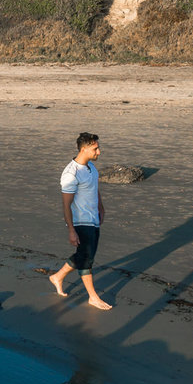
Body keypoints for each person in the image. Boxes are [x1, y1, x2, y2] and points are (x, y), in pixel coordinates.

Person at [49, 131, 112, 310]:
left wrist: (101, 207)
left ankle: (57, 277)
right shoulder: (71, 174)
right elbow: (66, 205)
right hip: (80, 222)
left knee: (85, 255)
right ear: (84, 149)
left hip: (93, 220)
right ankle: (93, 297)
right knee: (86, 259)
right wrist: (71, 230)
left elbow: (94, 188)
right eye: (95, 148)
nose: (99, 152)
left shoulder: (91, 168)